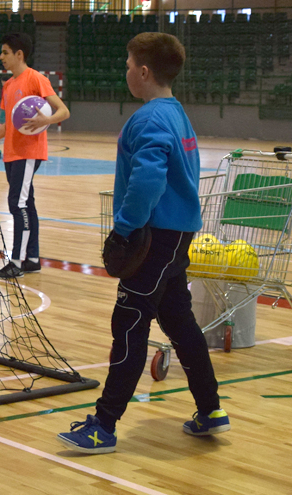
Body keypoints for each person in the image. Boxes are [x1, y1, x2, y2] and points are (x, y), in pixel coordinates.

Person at [57, 32, 228, 454]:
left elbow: (148, 178)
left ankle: (103, 426)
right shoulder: (176, 114)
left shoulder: (150, 118)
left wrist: (126, 227)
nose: (126, 70)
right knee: (181, 325)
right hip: (177, 235)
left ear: (145, 71)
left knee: (129, 324)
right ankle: (211, 410)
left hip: (155, 236)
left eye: (129, 64)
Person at [0, 32, 70, 278]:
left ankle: (16, 262)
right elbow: (5, 126)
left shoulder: (36, 79)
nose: (1, 57)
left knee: (17, 203)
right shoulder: (8, 85)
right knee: (26, 203)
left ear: (19, 54)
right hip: (11, 153)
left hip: (29, 152)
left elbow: (63, 111)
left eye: (5, 52)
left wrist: (47, 119)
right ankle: (31, 259)